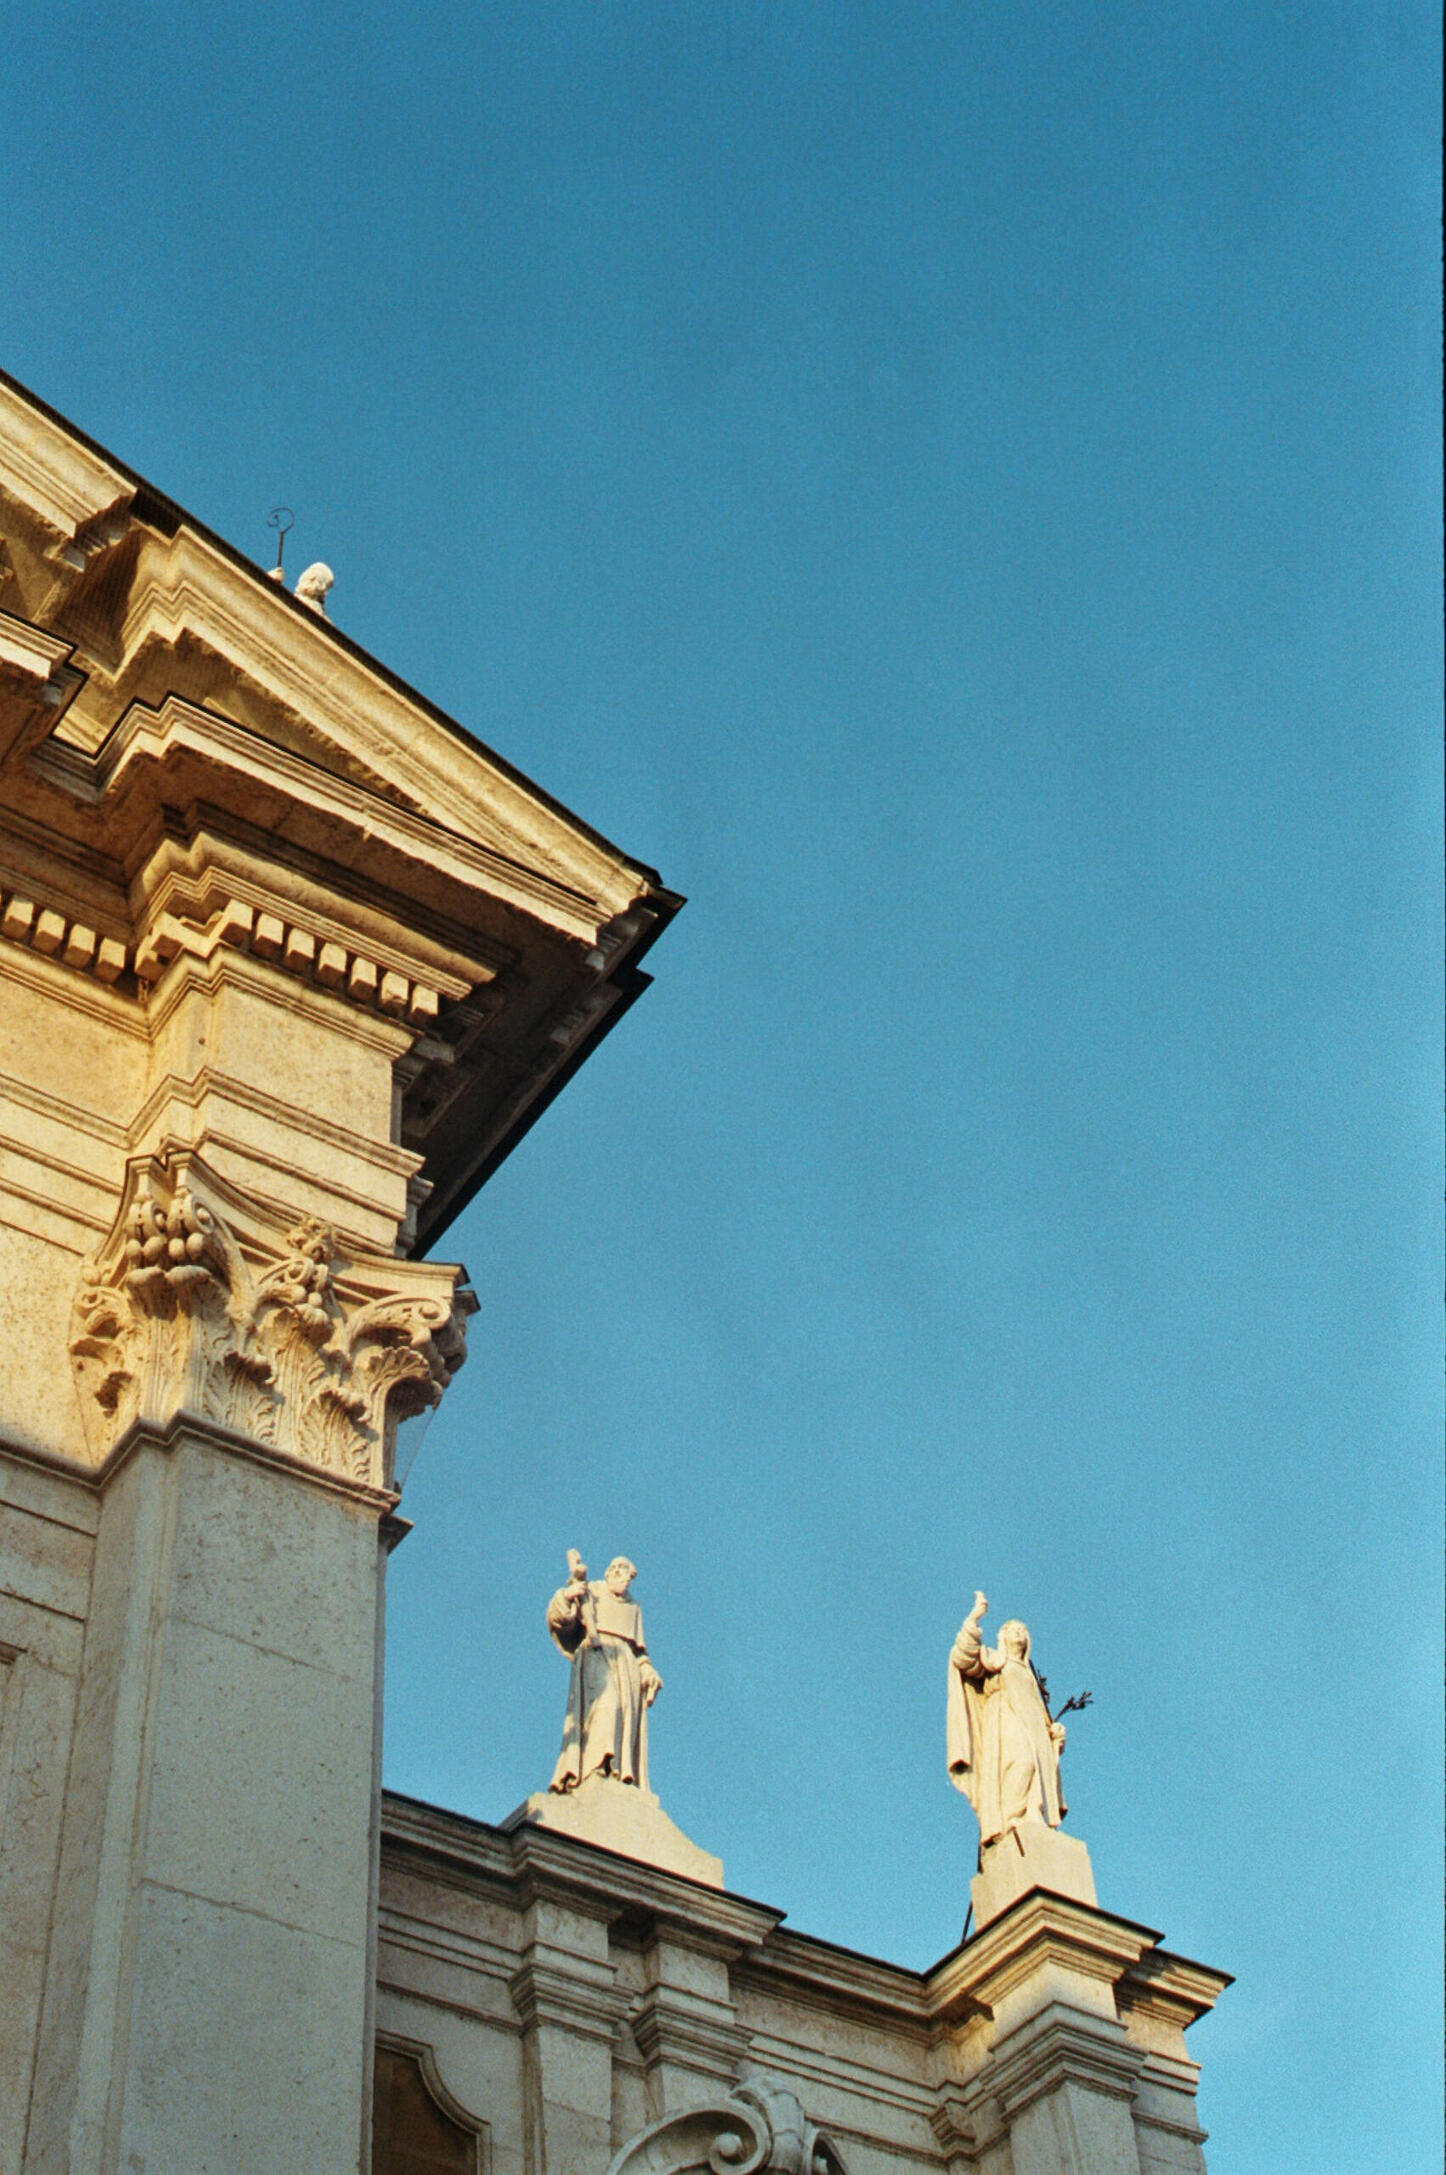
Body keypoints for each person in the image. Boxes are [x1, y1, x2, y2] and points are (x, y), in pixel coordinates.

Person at [946, 1590, 1066, 1847]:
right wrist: (974, 1618)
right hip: (1004, 1722)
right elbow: (963, 1657)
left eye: (1023, 1630)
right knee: (1022, 1762)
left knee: (1035, 1767)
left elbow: (1038, 1711)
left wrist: (1052, 1730)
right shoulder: (994, 1660)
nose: (1019, 1633)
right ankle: (1011, 1816)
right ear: (1002, 1637)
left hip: (1031, 1726)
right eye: (1013, 1630)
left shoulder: (1027, 1673)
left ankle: (1033, 1813)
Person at [547, 1552, 662, 1793]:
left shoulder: (633, 1607)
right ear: (610, 1572)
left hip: (626, 1663)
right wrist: (569, 1595)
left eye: (628, 1577)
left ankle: (615, 1770)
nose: (624, 1580)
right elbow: (558, 1616)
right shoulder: (593, 1590)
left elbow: (639, 1650)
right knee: (606, 1705)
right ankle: (593, 1766)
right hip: (596, 1651)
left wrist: (647, 1668)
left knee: (623, 1714)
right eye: (620, 1572)